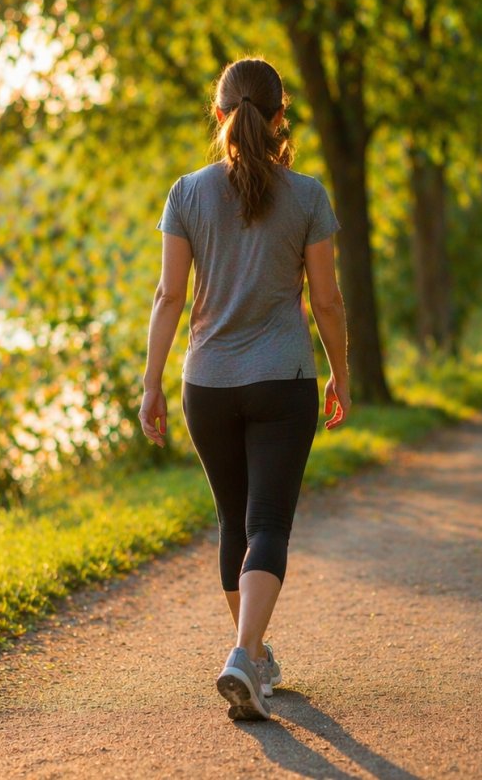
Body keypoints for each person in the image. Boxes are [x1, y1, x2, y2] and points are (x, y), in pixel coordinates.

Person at [139, 57, 351, 721]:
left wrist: (150, 384)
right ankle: (244, 654)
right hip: (282, 380)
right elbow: (328, 300)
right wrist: (342, 373)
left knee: (235, 521)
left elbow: (169, 295)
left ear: (220, 114)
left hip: (207, 384)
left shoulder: (187, 192)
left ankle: (252, 661)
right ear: (280, 117)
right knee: (267, 525)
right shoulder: (309, 195)